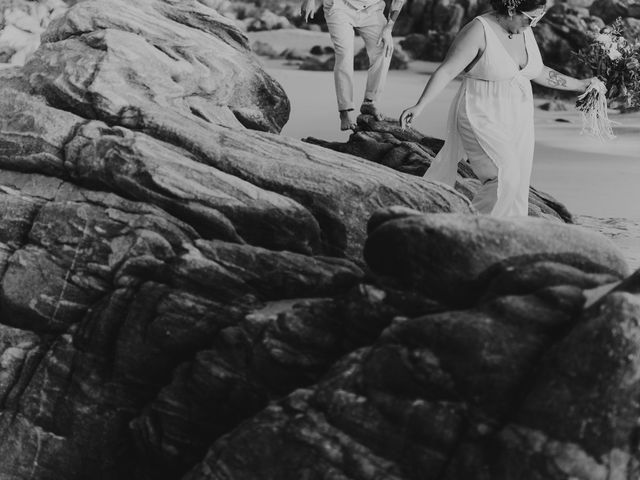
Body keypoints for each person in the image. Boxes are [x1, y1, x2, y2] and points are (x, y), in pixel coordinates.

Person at [399, 0, 596, 217]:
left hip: (518, 116)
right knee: (505, 176)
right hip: (480, 111)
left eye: (539, 19)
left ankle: (503, 234)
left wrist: (580, 84)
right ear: (511, 9)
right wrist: (420, 105)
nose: (534, 25)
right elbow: (446, 71)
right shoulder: (478, 30)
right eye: (531, 18)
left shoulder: (523, 29)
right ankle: (471, 231)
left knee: (518, 186)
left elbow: (538, 71)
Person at [302, 0, 405, 130]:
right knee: (344, 54)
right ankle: (345, 111)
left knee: (385, 48)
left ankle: (369, 102)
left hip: (373, 9)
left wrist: (388, 29)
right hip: (339, 6)